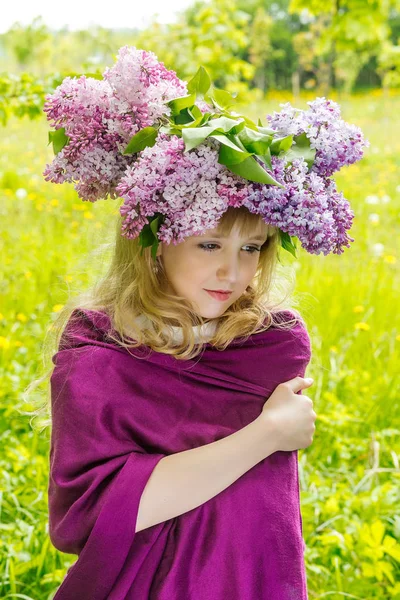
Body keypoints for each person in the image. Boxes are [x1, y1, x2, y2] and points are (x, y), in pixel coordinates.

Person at [40, 46, 367, 599]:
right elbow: (97, 515)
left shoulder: (270, 346)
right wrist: (267, 434)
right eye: (210, 242)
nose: (231, 270)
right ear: (154, 244)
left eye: (253, 248)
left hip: (247, 578)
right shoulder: (99, 353)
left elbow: (267, 511)